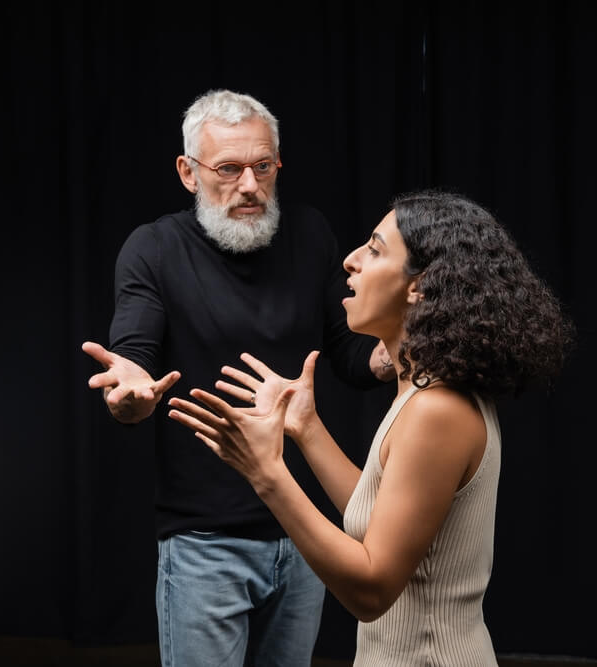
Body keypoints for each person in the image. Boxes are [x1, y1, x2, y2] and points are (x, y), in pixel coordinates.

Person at [167, 190, 573, 666]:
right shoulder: (423, 395)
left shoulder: (436, 411)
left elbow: (372, 589)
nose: (351, 260)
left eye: (376, 250)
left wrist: (267, 473)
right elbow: (380, 519)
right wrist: (307, 426)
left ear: (419, 286)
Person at [82, 89, 393, 667]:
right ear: (188, 173)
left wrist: (398, 354)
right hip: (205, 542)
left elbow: (349, 355)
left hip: (305, 531)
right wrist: (130, 396)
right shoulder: (154, 249)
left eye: (263, 166)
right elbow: (133, 359)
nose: (250, 186)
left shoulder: (310, 234)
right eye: (228, 169)